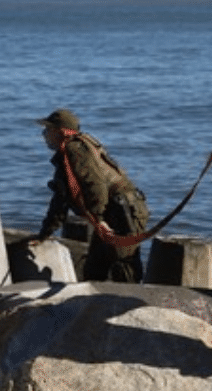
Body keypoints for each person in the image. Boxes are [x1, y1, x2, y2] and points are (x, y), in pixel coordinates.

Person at [34, 108, 149, 283]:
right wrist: (43, 234)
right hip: (110, 210)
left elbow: (95, 185)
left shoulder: (75, 149)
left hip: (123, 210)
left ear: (61, 132)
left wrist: (100, 219)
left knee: (124, 268)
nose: (44, 135)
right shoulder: (66, 154)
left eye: (48, 130)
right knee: (94, 269)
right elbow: (60, 200)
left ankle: (130, 306)